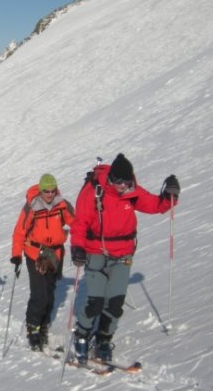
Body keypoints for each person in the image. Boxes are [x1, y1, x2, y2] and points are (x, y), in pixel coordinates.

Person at [70, 153, 180, 364]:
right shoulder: (94, 191)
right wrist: (77, 248)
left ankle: (103, 339)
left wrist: (169, 197)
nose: (122, 186)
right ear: (111, 178)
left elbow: (154, 205)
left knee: (115, 303)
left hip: (123, 254)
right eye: (118, 181)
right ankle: (82, 335)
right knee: (95, 302)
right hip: (96, 252)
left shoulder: (132, 191)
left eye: (126, 182)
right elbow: (80, 222)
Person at [10, 174, 75, 351]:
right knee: (40, 294)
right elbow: (19, 232)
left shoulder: (62, 204)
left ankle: (44, 325)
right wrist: (16, 255)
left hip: (54, 254)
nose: (49, 194)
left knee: (50, 292)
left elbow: (76, 223)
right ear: (40, 190)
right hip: (35, 253)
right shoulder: (32, 206)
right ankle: (33, 328)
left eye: (52, 190)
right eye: (46, 191)